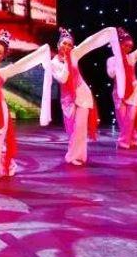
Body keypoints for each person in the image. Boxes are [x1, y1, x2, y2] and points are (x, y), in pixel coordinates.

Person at [0, 30, 52, 183]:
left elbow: (20, 65)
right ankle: (8, 166)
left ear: (3, 57)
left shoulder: (2, 73)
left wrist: (41, 53)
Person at [51, 27, 124, 165]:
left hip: (82, 95)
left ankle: (77, 157)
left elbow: (90, 43)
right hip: (68, 99)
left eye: (69, 45)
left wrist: (108, 33)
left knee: (80, 128)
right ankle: (73, 154)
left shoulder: (74, 54)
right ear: (58, 44)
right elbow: (63, 79)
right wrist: (66, 61)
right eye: (64, 43)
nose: (67, 47)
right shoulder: (53, 63)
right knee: (72, 130)